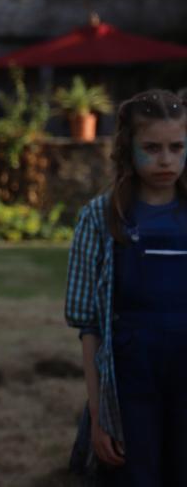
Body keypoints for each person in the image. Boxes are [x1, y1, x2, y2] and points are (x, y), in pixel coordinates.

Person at [65, 89, 187, 485]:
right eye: (151, 147)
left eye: (176, 147)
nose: (166, 159)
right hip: (130, 386)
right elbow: (90, 328)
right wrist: (100, 417)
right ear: (126, 147)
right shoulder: (100, 218)